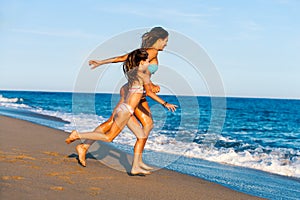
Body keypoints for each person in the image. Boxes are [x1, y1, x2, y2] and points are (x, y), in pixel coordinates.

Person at [66, 49, 177, 175]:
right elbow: (150, 93)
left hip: (124, 109)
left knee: (141, 136)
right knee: (108, 137)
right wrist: (165, 103)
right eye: (146, 60)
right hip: (126, 112)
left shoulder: (132, 72)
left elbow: (125, 64)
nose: (148, 62)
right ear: (141, 62)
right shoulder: (143, 74)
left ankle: (135, 167)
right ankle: (78, 135)